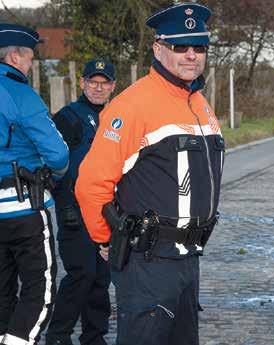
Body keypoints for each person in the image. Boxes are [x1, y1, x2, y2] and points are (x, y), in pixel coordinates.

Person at [75, 3, 223, 345]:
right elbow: (91, 184)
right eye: (179, 46)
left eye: (198, 47)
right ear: (158, 48)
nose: (191, 55)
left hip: (189, 259)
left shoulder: (199, 102)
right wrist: (104, 240)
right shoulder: (132, 105)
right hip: (148, 261)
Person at [0, 24, 69, 345]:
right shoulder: (20, 93)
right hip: (24, 207)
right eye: (29, 58)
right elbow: (57, 153)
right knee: (39, 290)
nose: (29, 65)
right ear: (15, 56)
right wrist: (52, 176)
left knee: (1, 289)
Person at [45, 59, 116, 345]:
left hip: (106, 211)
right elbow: (54, 164)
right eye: (93, 82)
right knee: (81, 274)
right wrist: (64, 206)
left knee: (101, 278)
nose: (98, 88)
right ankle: (58, 335)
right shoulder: (68, 117)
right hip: (75, 210)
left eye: (104, 83)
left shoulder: (117, 117)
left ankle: (94, 337)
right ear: (83, 83)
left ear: (113, 86)